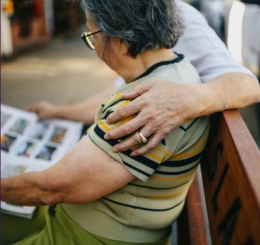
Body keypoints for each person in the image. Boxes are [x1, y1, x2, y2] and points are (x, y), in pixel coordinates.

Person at [2, 0, 210, 244]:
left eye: (93, 35)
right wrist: (56, 111)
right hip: (100, 221)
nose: (95, 47)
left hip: (94, 235)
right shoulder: (172, 70)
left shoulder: (147, 106)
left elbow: (53, 189)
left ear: (121, 40)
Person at [27, 0, 260, 156]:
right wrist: (55, 111)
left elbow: (249, 85)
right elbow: (114, 95)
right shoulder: (128, 11)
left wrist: (185, 99)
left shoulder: (177, 14)